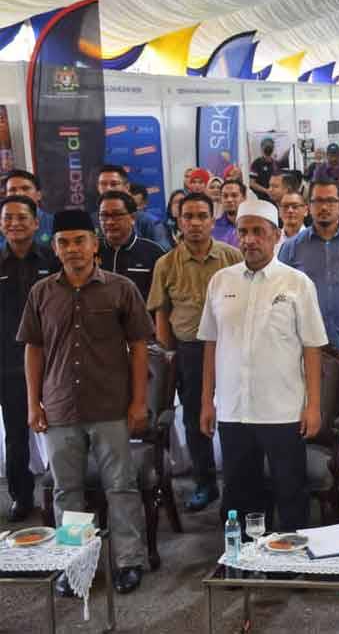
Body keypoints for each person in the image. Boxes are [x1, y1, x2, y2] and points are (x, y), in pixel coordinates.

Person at [19, 209, 153, 594]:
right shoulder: (41, 293)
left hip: (111, 405)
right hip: (60, 406)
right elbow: (34, 350)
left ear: (95, 244)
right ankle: (76, 563)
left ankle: (129, 561)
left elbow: (140, 346)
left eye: (80, 240)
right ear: (55, 248)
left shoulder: (120, 288)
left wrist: (139, 402)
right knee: (67, 490)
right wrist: (34, 403)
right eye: (64, 242)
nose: (73, 249)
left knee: (121, 487)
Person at [198, 192, 327, 533]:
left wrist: (313, 406)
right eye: (243, 232)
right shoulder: (220, 281)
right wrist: (206, 403)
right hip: (232, 409)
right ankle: (246, 561)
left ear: (275, 234)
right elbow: (211, 343)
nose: (250, 240)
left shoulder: (297, 283)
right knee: (239, 492)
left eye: (258, 231)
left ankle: (293, 563)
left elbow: (313, 349)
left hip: (282, 410)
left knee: (290, 490)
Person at [148, 193, 243, 511]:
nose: (195, 223)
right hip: (189, 351)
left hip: (232, 348)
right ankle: (204, 482)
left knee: (234, 415)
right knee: (194, 419)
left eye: (202, 216)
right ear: (178, 221)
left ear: (212, 219)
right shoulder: (166, 263)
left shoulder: (232, 257)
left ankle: (236, 481)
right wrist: (168, 355)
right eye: (188, 216)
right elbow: (161, 313)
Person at [0, 196, 57, 522]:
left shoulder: (52, 259)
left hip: (55, 361)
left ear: (36, 224)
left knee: (66, 431)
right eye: (8, 218)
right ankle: (21, 497)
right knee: (17, 434)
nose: (15, 223)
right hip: (9, 365)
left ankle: (72, 491)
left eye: (22, 218)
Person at [278, 178, 339, 353]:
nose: (324, 207)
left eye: (330, 201)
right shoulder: (291, 248)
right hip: (306, 348)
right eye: (318, 201)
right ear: (309, 206)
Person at [97, 191, 166, 302]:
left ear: (133, 218)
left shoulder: (154, 253)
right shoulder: (90, 251)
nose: (109, 222)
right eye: (104, 215)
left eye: (117, 215)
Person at [96, 166, 171, 249]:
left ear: (127, 187)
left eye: (114, 184)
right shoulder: (92, 220)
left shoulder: (149, 222)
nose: (108, 188)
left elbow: (164, 254)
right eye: (103, 184)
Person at [1, 170, 54, 247]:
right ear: (6, 196)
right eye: (12, 190)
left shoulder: (55, 224)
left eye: (25, 188)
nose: (19, 193)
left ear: (39, 195)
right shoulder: (3, 225)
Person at [212, 179, 245, 248]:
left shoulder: (253, 225)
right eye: (225, 196)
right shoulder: (214, 227)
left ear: (244, 198)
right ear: (221, 199)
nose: (229, 200)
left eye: (234, 195)